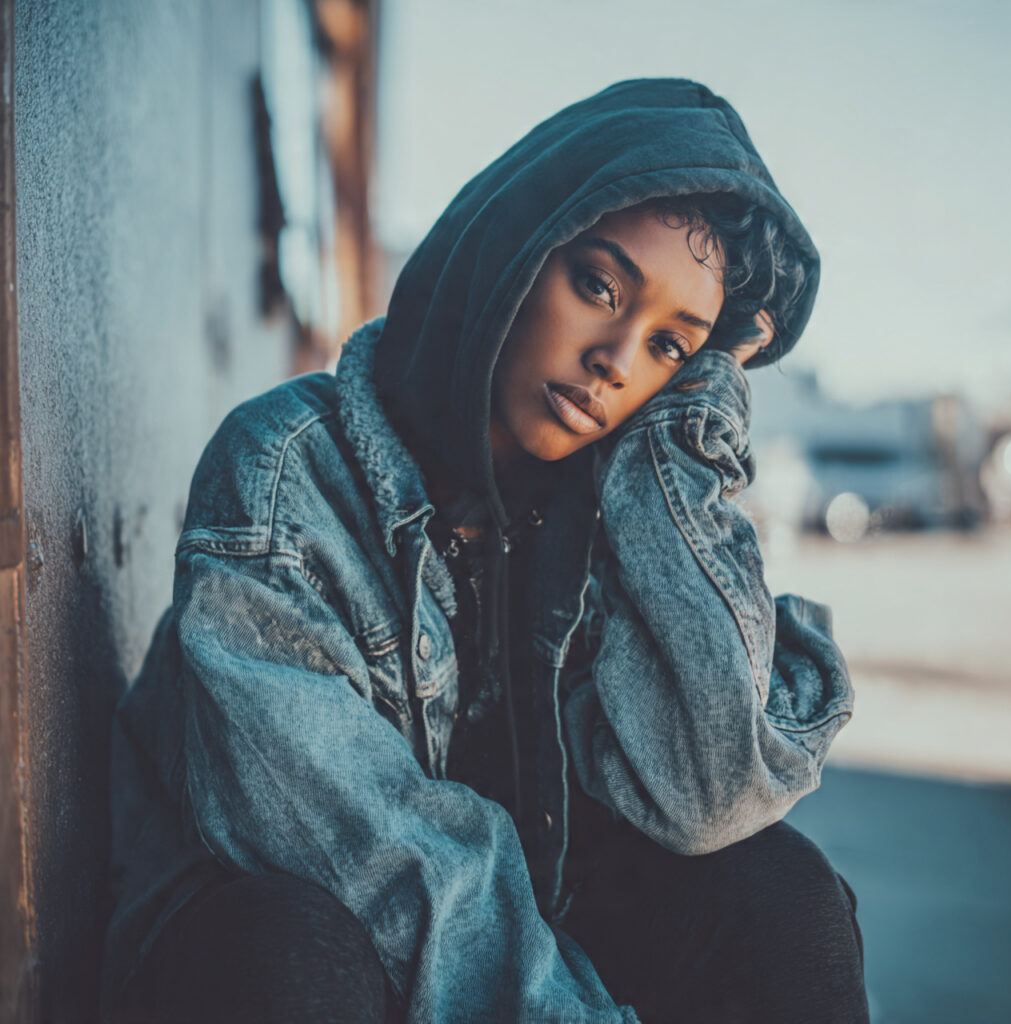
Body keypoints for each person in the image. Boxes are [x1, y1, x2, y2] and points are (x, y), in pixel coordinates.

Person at [103, 79, 869, 1023]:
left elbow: (707, 798)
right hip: (289, 939)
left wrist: (679, 447)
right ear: (513, 250)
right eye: (598, 286)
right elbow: (370, 856)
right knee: (290, 950)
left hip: (519, 934)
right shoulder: (285, 472)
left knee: (779, 891)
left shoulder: (613, 507)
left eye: (671, 346)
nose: (618, 359)